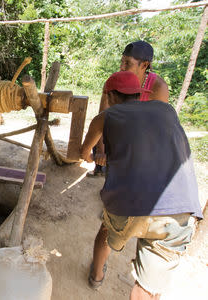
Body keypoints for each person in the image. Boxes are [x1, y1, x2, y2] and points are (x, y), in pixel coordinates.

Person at [80, 71, 202, 299]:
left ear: (111, 96)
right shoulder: (166, 110)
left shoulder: (106, 116)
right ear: (139, 93)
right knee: (146, 288)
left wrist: (96, 158)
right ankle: (145, 287)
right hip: (180, 209)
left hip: (128, 208)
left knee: (106, 229)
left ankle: (96, 276)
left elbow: (84, 153)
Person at [89, 40, 169, 176]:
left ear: (144, 65)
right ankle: (101, 168)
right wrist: (101, 152)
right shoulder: (114, 81)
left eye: (127, 63)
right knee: (100, 144)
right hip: (119, 134)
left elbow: (159, 129)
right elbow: (102, 119)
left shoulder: (158, 88)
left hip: (142, 140)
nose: (121, 67)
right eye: (121, 62)